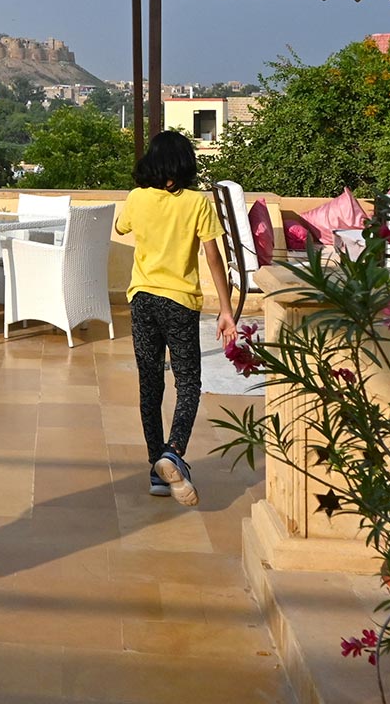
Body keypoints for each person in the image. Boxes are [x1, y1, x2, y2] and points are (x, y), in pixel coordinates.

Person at [114, 129, 236, 506]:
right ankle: (174, 451)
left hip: (142, 300)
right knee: (188, 382)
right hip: (180, 303)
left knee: (150, 385)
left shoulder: (137, 198)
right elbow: (213, 257)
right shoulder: (197, 203)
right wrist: (226, 309)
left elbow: (121, 228)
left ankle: (156, 468)